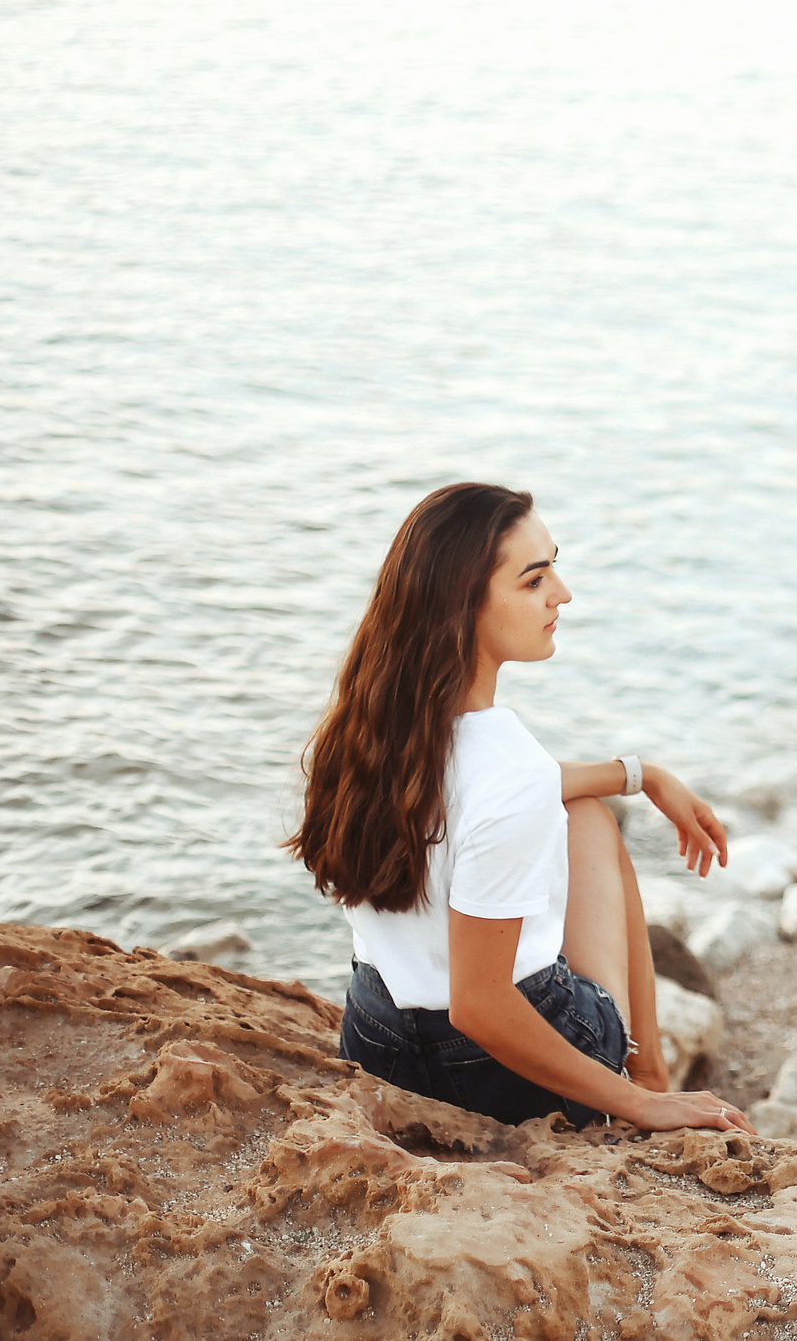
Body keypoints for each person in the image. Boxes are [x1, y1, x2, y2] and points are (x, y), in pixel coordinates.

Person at [287, 481, 754, 1133]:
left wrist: (638, 775)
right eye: (534, 580)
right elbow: (480, 1006)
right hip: (500, 1072)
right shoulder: (509, 771)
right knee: (592, 821)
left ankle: (647, 1074)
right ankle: (648, 1074)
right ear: (463, 606)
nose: (562, 593)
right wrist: (644, 1106)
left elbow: (493, 794)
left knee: (584, 804)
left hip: (377, 1039)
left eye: (554, 567)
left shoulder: (365, 733)